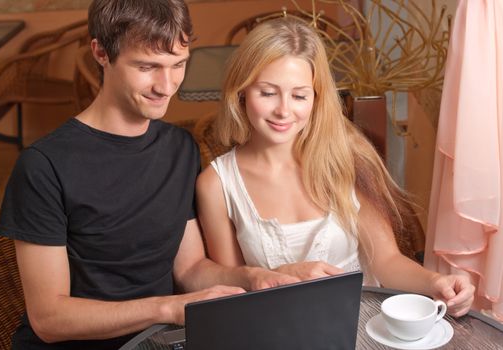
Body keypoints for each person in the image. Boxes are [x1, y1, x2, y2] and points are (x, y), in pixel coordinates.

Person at [0, 1, 295, 349]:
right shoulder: (43, 165)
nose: (166, 86)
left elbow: (189, 268)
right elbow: (49, 318)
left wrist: (252, 278)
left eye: (178, 65)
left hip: (158, 340)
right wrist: (168, 308)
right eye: (147, 66)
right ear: (101, 53)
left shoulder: (179, 148)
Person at [196, 17, 475, 318]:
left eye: (300, 95)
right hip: (277, 329)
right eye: (267, 92)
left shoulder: (346, 158)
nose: (284, 110)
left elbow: (386, 261)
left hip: (363, 324)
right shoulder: (216, 185)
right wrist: (281, 274)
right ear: (241, 92)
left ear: (317, 99)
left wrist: (437, 282)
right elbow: (232, 294)